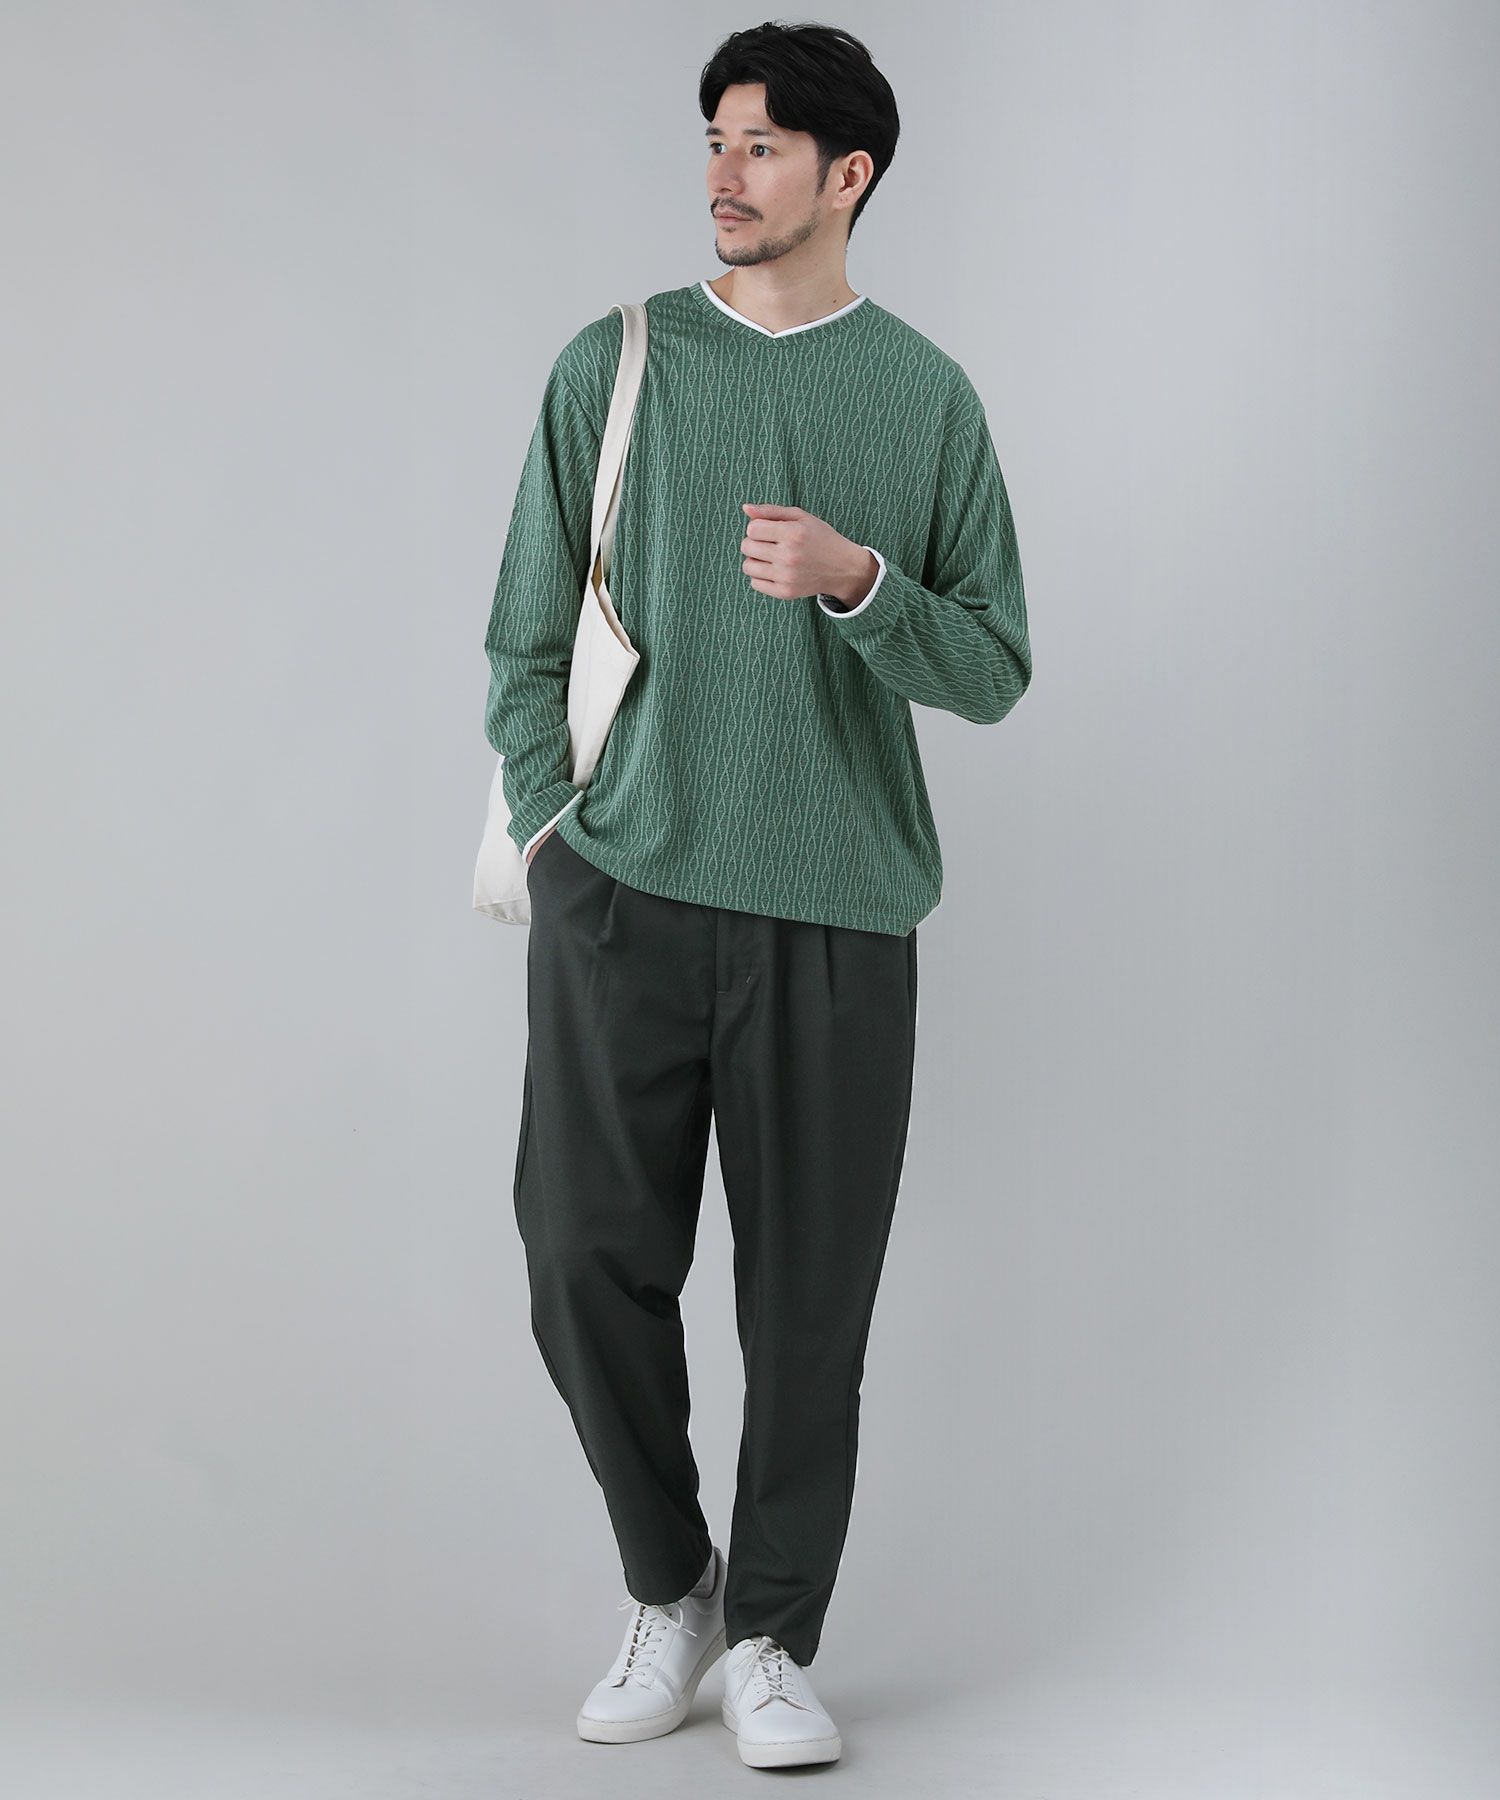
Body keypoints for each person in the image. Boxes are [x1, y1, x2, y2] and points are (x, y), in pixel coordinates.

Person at [482, 21, 1031, 1771]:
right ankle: (676, 1588)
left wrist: (863, 583)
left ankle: (777, 1637)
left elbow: (996, 666)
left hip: (841, 913)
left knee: (808, 1310)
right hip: (625, 893)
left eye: (763, 146)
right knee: (580, 1263)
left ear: (846, 174)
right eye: (716, 141)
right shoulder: (617, 361)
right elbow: (522, 638)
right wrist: (560, 839)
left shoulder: (926, 397)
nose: (724, 173)